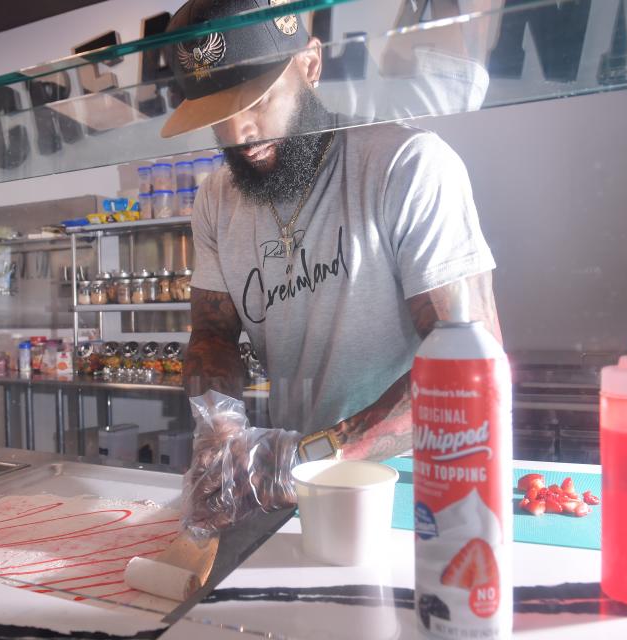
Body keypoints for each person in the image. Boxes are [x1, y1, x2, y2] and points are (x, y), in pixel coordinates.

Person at [161, 0, 501, 533]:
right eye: (216, 115)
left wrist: (311, 455)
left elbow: (471, 372)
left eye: (258, 100)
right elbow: (212, 332)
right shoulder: (216, 200)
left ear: (310, 64)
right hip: (295, 497)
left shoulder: (407, 167)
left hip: (419, 493)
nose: (239, 133)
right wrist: (220, 432)